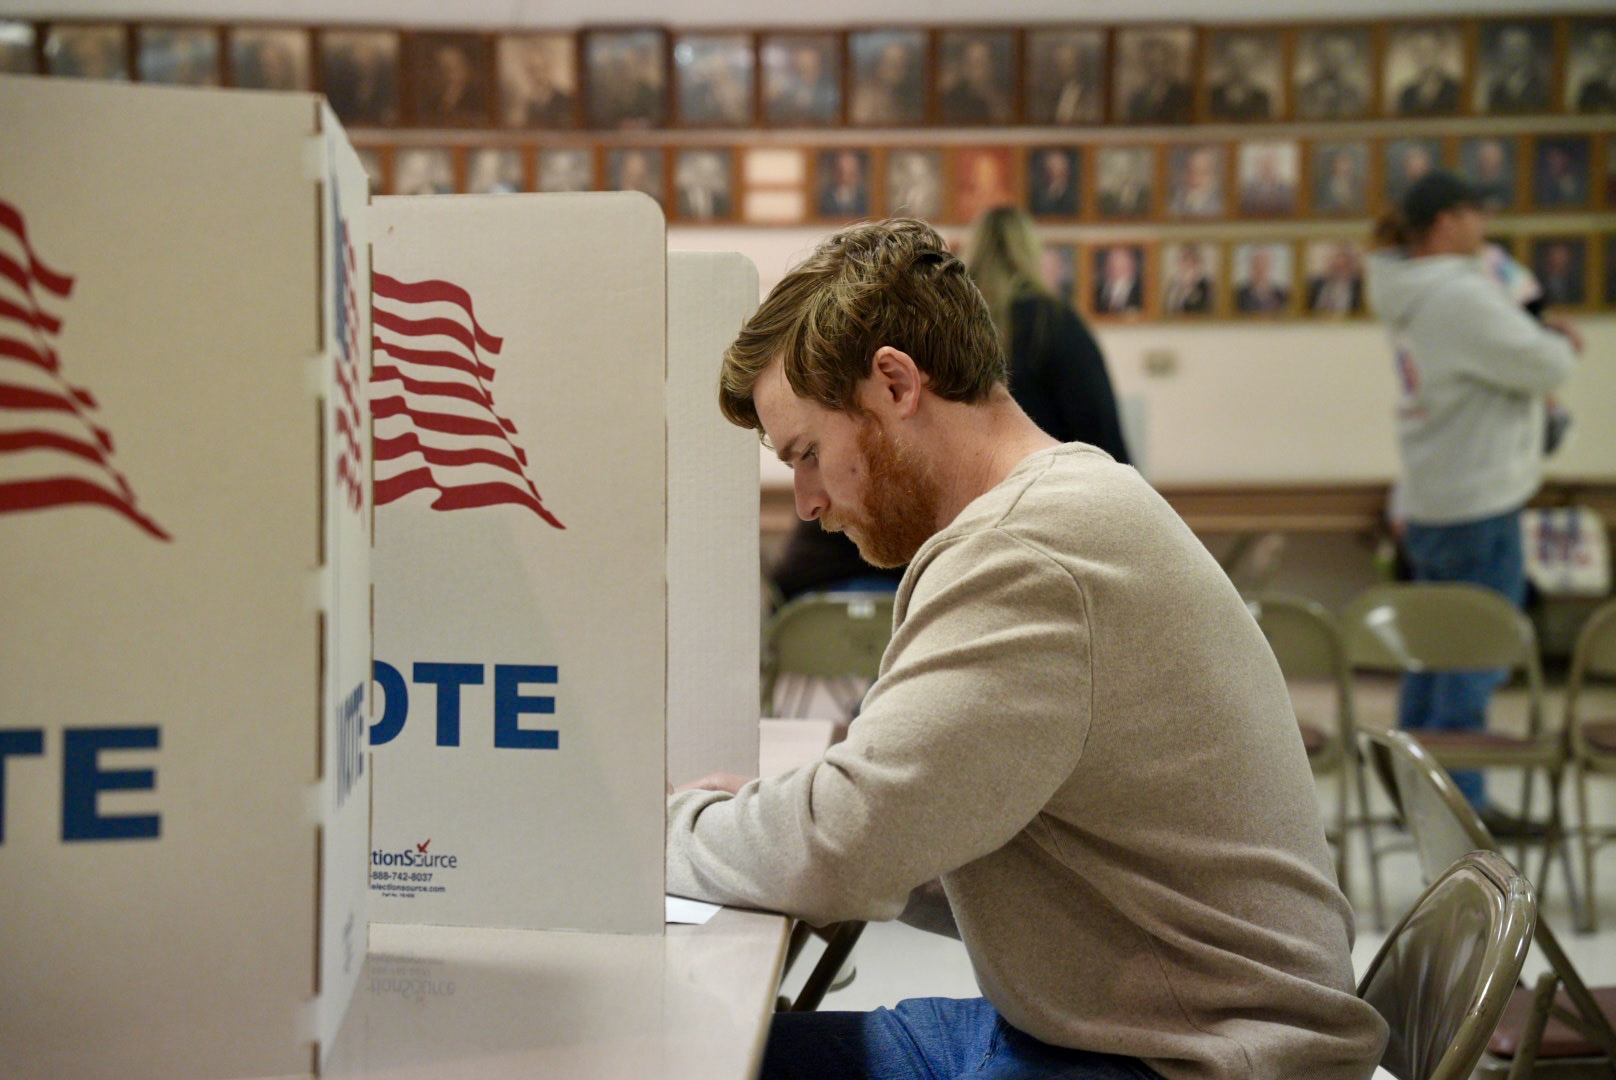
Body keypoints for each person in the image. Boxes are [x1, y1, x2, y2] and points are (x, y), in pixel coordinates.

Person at [671, 217, 1387, 1080]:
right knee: (711, 1055)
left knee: (694, 1058)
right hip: (1132, 1025)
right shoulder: (1067, 501)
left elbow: (843, 850)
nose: (811, 501)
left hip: (1186, 1057)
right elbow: (914, 833)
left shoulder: (1026, 551)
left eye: (809, 454)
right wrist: (787, 818)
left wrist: (666, 831)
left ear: (895, 383)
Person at [1365, 171, 1579, 826]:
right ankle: (1464, 809)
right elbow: (1545, 365)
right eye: (1475, 214)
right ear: (1446, 222)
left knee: (1431, 656)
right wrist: (1556, 340)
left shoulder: (1408, 293)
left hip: (1434, 497)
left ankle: (1418, 796)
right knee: (1474, 660)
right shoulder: (1457, 293)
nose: (1484, 226)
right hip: (1479, 499)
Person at [965, 208, 1130, 464]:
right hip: (1052, 486)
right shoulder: (1054, 320)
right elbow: (1098, 424)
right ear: (1030, 252)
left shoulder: (957, 324)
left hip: (974, 490)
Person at [1484, 25, 1550, 111]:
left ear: (1530, 51)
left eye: (1518, 47)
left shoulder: (1541, 88)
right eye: (1507, 48)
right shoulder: (1497, 90)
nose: (1512, 53)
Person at [1093, 245, 1144, 315]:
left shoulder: (1142, 289)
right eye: (1111, 260)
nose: (1113, 265)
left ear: (1131, 264)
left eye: (1119, 260)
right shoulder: (1098, 288)